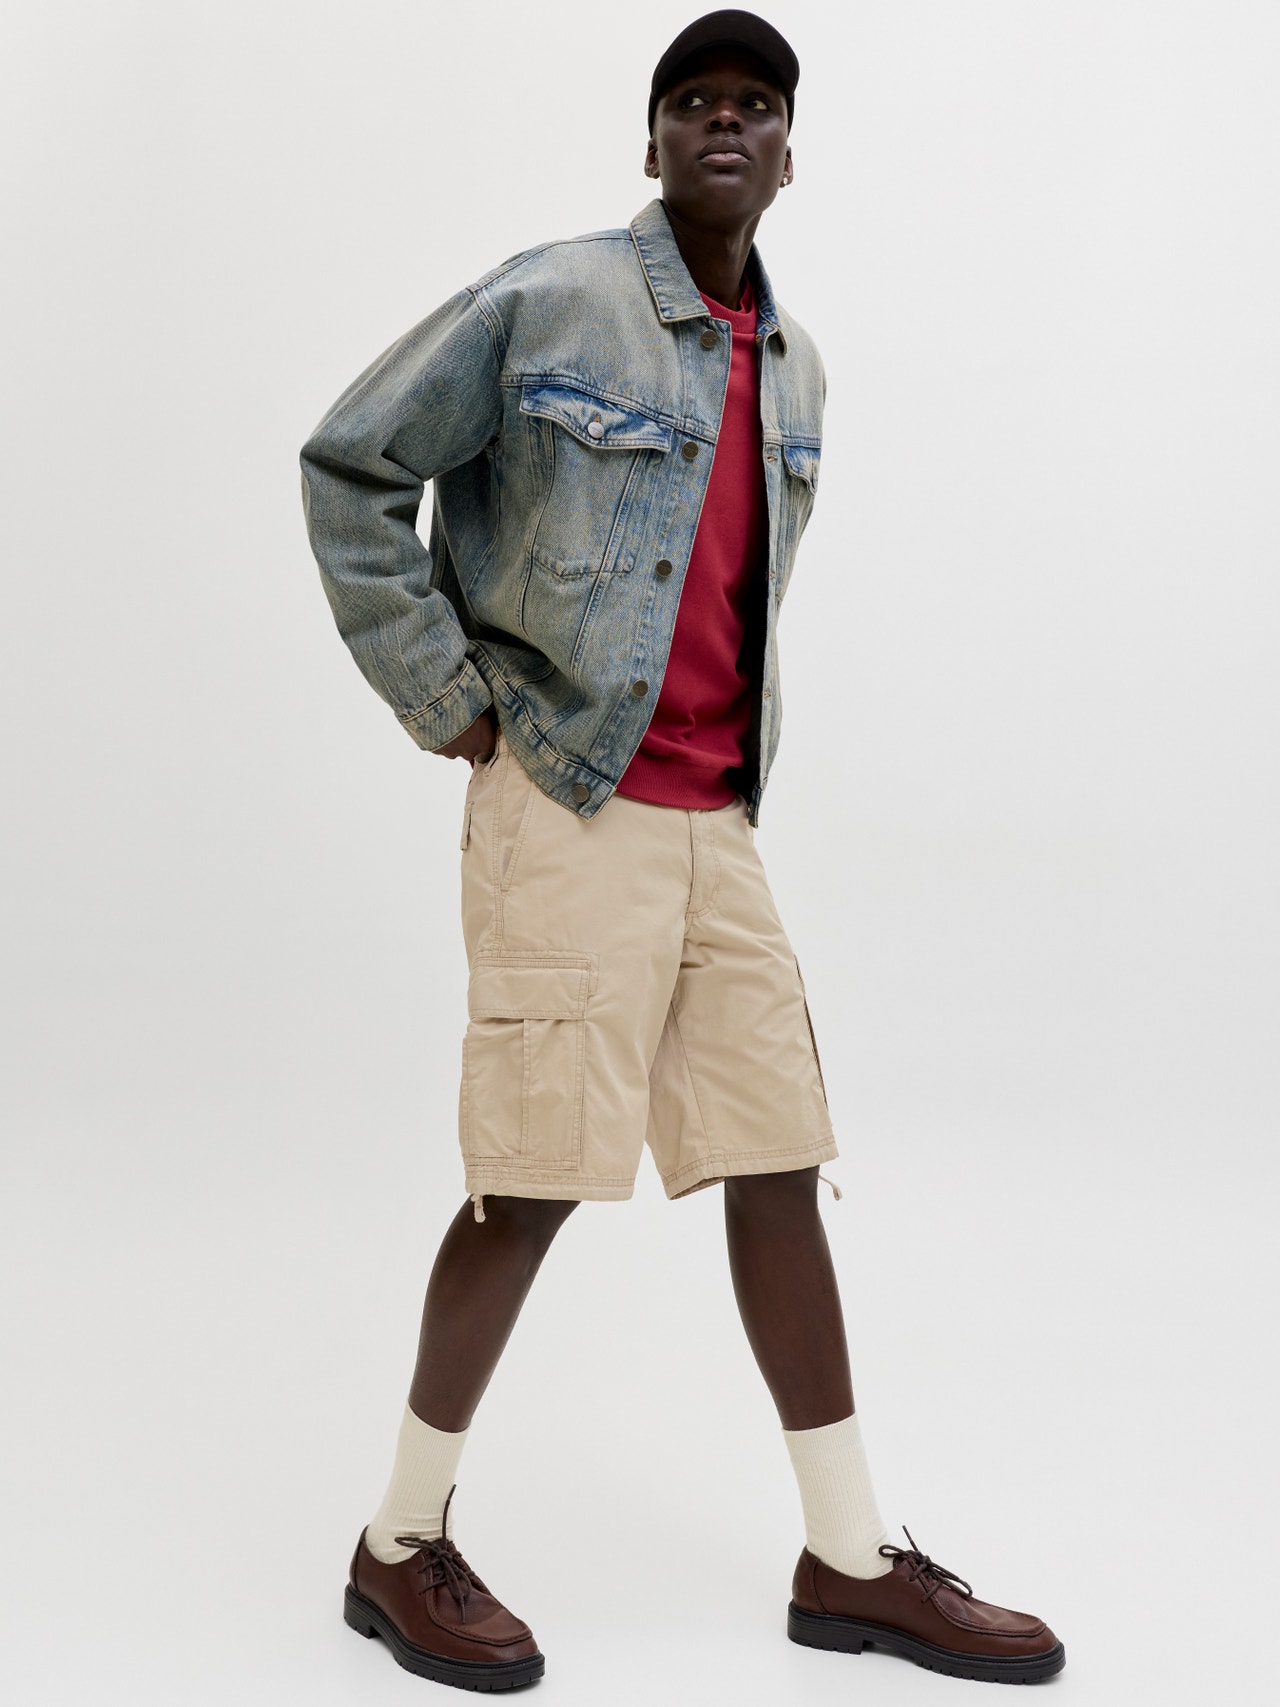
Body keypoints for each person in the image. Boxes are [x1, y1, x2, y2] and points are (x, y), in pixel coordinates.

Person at [300, 8, 1064, 1691]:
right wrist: (453, 704)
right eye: (694, 100)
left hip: (721, 824)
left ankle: (850, 1558)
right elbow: (350, 468)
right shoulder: (552, 299)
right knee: (531, 1181)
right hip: (570, 804)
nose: (727, 121)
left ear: (790, 153)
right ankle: (399, 1543)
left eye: (757, 103)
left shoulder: (797, 368)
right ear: (651, 143)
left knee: (778, 1160)